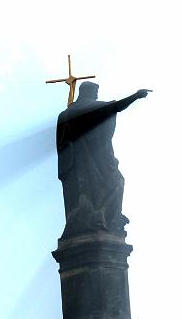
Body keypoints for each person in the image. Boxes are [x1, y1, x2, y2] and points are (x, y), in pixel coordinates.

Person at [55, 82, 150, 237]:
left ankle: (105, 218)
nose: (97, 95)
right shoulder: (94, 108)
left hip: (75, 166)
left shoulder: (65, 114)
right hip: (97, 162)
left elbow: (61, 143)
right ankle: (105, 218)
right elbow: (116, 106)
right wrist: (136, 96)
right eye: (96, 91)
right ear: (89, 91)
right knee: (117, 182)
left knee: (91, 192)